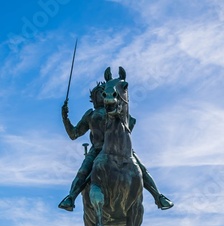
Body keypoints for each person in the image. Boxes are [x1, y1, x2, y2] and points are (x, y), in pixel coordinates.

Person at [58, 83, 173, 211]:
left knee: (142, 169)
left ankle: (158, 196)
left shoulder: (117, 111)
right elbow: (74, 134)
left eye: (101, 94)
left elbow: (130, 125)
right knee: (82, 172)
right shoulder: (91, 114)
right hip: (97, 149)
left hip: (121, 148)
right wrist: (65, 117)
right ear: (93, 99)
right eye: (96, 95)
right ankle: (71, 197)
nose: (99, 97)